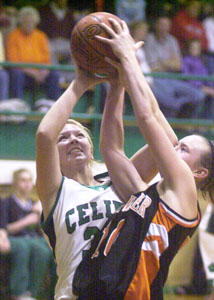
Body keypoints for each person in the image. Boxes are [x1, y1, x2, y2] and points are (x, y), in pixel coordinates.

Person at [72, 18, 214, 300]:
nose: (174, 148)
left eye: (184, 150)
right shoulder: (145, 195)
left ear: (199, 173)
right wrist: (117, 85)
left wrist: (128, 60)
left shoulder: (184, 193)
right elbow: (112, 149)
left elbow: (148, 117)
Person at [36, 40, 178, 300]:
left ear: (92, 150)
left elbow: (167, 144)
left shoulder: (117, 180)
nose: (73, 139)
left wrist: (121, 81)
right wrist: (80, 82)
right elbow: (45, 134)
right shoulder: (54, 191)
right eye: (64, 138)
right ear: (52, 157)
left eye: (79, 135)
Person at [4, 168, 53, 300]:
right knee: (31, 248)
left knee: (51, 248)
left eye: (30, 180)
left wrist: (42, 214)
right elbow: (5, 229)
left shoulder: (34, 203)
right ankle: (20, 293)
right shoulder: (6, 203)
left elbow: (41, 231)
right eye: (23, 180)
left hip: (34, 238)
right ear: (15, 183)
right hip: (15, 239)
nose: (27, 184)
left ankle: (40, 292)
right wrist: (28, 220)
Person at [144, 15, 205, 118]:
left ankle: (182, 113)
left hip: (172, 77)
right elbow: (152, 67)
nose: (164, 28)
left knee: (199, 95)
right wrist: (170, 63)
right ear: (156, 26)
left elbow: (178, 65)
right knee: (170, 101)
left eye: (166, 25)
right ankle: (170, 126)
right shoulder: (149, 39)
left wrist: (161, 62)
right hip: (156, 78)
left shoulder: (172, 40)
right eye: (161, 25)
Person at [6, 6, 60, 106]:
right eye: (26, 22)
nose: (29, 25)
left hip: (40, 73)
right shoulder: (13, 36)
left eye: (31, 22)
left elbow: (47, 59)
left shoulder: (41, 36)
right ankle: (17, 106)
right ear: (21, 22)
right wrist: (33, 72)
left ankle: (51, 106)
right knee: (16, 74)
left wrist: (44, 71)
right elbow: (13, 61)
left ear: (36, 23)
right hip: (23, 73)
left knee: (54, 75)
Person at [182, 38, 214, 119]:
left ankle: (207, 123)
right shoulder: (186, 61)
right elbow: (186, 77)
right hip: (191, 87)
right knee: (200, 96)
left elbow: (205, 76)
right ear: (188, 48)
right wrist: (201, 87)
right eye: (193, 48)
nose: (195, 50)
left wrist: (210, 87)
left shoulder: (201, 61)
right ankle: (193, 121)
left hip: (204, 88)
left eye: (197, 48)